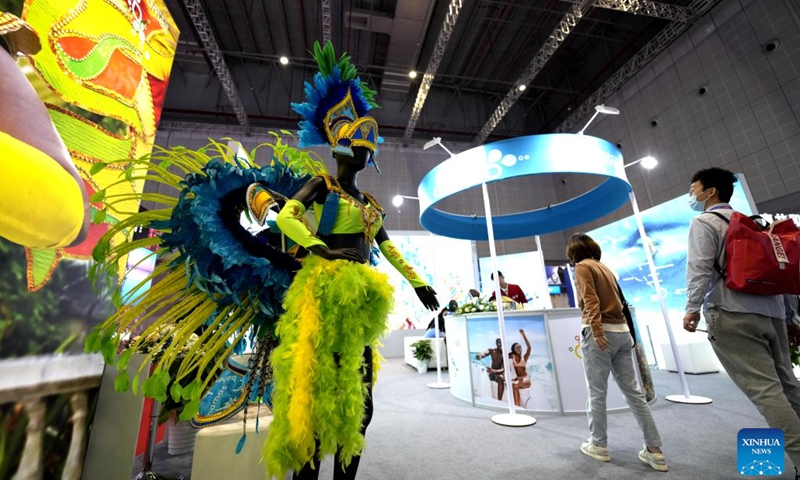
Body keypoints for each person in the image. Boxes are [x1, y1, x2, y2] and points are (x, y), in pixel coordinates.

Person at [265, 41, 439, 480]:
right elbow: (286, 215)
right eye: (352, 144)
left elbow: (389, 248)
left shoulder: (371, 204)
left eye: (365, 148)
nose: (358, 151)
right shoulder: (320, 184)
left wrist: (418, 283)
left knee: (360, 397)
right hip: (323, 292)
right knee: (315, 382)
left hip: (360, 298)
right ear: (339, 148)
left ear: (369, 158)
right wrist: (319, 247)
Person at [683, 167, 800, 474]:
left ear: (711, 192)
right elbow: (783, 273)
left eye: (694, 189)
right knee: (788, 384)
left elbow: (700, 268)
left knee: (765, 391)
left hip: (732, 313)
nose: (692, 195)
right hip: (773, 314)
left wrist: (692, 308)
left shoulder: (704, 222)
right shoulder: (756, 225)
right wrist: (789, 318)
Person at [567, 233, 667, 472]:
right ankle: (655, 451)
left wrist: (597, 331)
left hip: (601, 334)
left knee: (597, 392)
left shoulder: (582, 267)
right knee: (634, 394)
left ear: (574, 252)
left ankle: (598, 445)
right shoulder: (605, 268)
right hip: (623, 333)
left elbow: (590, 301)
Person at [509, 329, 531, 407]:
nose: (519, 349)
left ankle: (517, 407)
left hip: (525, 379)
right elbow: (504, 356)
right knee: (512, 385)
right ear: (514, 349)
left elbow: (529, 348)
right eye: (517, 347)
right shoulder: (512, 356)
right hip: (519, 379)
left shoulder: (524, 358)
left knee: (514, 386)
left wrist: (523, 335)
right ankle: (516, 406)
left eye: (520, 347)